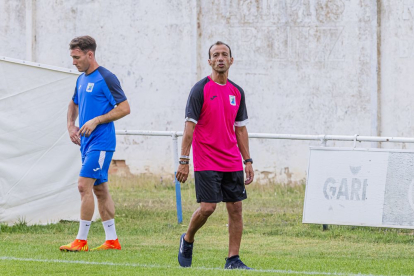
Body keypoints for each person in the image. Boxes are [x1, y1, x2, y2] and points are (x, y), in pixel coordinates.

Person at [176, 41, 254, 269]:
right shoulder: (200, 90)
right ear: (209, 61)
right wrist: (183, 161)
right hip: (206, 160)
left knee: (236, 208)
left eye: (224, 55)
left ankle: (233, 259)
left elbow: (240, 129)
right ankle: (188, 238)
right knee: (209, 208)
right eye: (216, 55)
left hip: (231, 161)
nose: (220, 58)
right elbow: (189, 128)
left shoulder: (237, 92)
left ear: (231, 60)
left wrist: (247, 161)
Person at [60, 36, 130, 252]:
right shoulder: (81, 79)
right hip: (86, 144)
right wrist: (71, 125)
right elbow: (73, 102)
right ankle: (112, 240)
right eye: (72, 57)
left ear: (90, 55)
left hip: (102, 143)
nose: (73, 62)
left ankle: (81, 241)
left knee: (83, 186)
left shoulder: (106, 78)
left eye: (77, 57)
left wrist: (96, 120)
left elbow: (125, 107)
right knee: (100, 190)